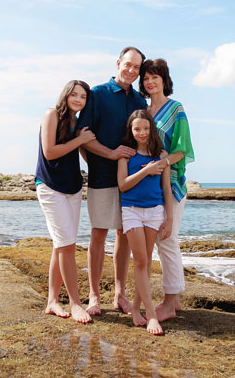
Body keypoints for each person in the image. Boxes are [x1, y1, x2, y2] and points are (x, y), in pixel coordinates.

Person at [77, 47, 147, 315]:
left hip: (131, 179)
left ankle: (120, 294)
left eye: (136, 67)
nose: (131, 70)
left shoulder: (140, 101)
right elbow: (84, 136)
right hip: (103, 177)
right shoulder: (98, 94)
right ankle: (94, 296)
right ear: (118, 63)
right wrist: (109, 154)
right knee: (99, 233)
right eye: (128, 64)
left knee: (125, 235)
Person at [35, 80, 96, 324]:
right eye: (74, 95)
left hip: (73, 188)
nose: (78, 100)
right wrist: (79, 140)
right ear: (66, 95)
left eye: (83, 97)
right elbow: (50, 152)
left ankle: (52, 301)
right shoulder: (52, 115)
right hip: (50, 186)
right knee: (68, 245)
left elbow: (85, 154)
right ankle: (75, 303)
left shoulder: (78, 123)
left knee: (60, 245)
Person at [140, 58, 194, 322]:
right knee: (160, 242)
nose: (150, 82)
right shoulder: (144, 110)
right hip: (149, 182)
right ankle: (175, 299)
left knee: (167, 239)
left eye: (155, 77)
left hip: (170, 181)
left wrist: (163, 162)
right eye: (146, 78)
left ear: (164, 80)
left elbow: (183, 149)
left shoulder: (176, 109)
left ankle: (170, 303)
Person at [117, 109, 173, 335]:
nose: (142, 133)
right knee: (140, 261)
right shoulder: (126, 155)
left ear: (152, 129)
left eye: (146, 128)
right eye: (137, 129)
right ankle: (151, 315)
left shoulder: (161, 154)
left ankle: (137, 308)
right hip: (131, 211)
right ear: (131, 130)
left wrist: (168, 218)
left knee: (147, 261)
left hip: (155, 212)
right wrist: (146, 171)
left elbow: (166, 189)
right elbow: (123, 185)